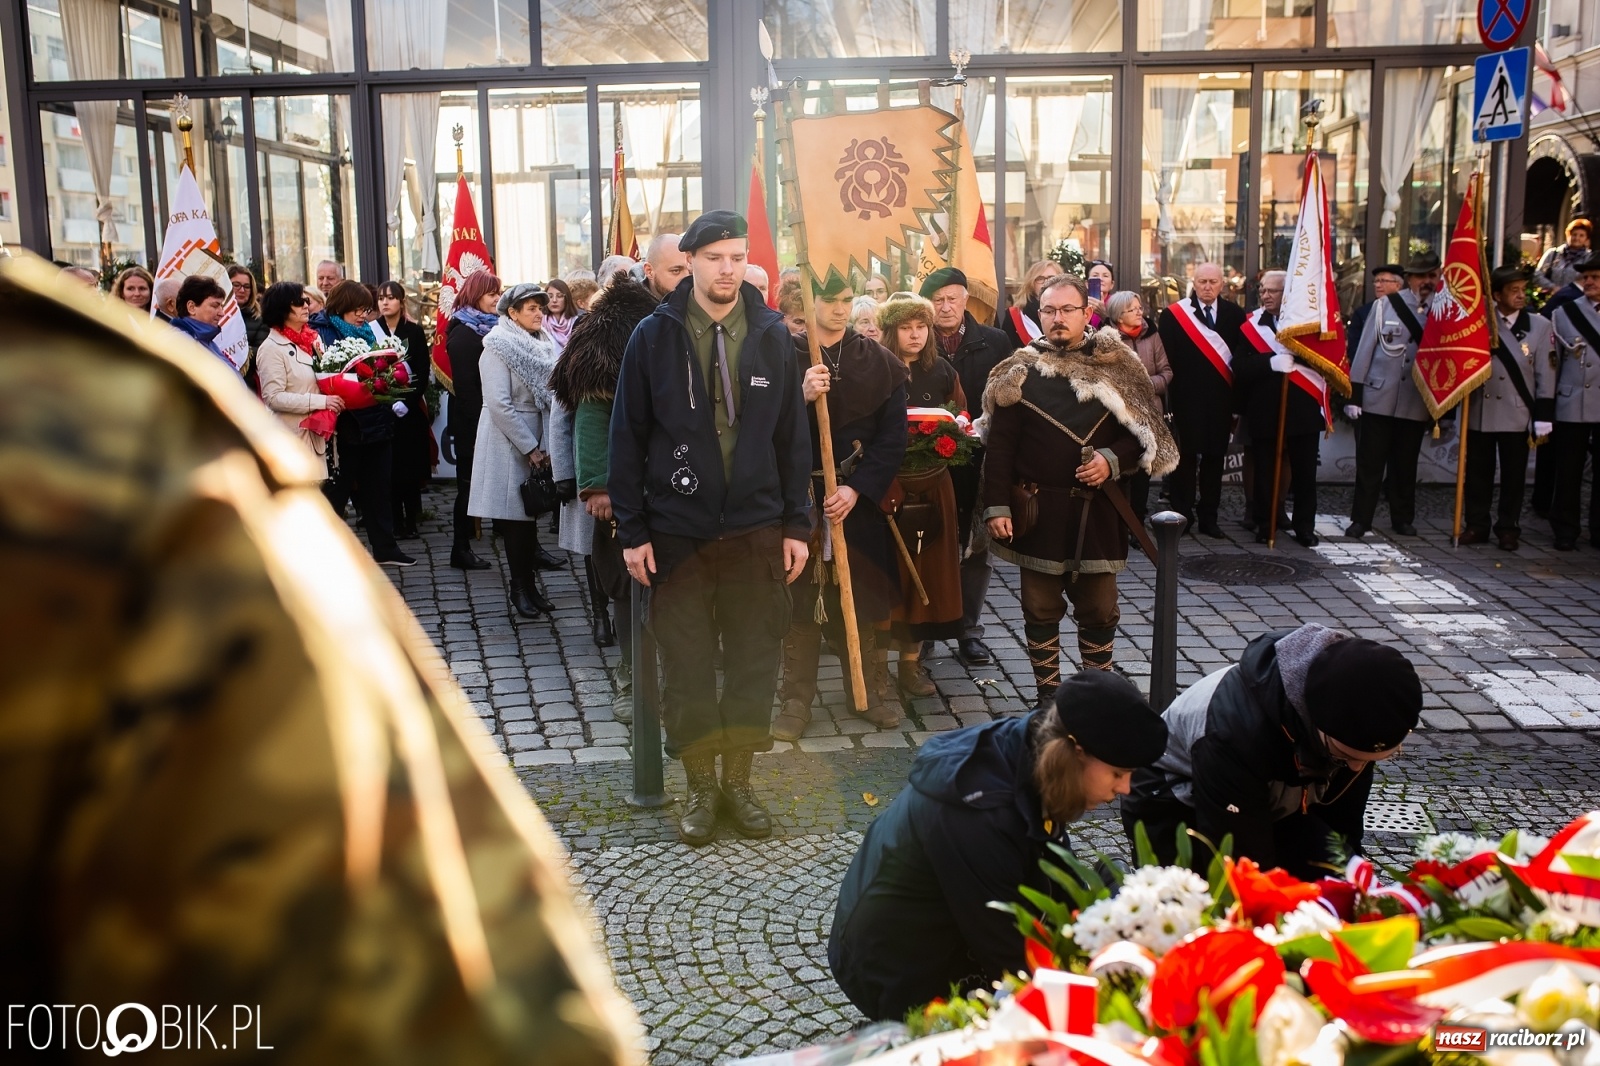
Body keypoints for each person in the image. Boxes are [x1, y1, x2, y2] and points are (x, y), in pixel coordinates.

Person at [608, 210, 811, 846]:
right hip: (677, 531)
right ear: (690, 261)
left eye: (737, 257)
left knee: (755, 661)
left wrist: (796, 525)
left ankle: (740, 785)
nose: (728, 269)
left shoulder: (773, 334)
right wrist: (632, 531)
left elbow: (791, 438)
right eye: (715, 256)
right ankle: (700, 787)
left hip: (755, 528)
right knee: (688, 666)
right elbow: (627, 436)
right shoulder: (653, 336)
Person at [829, 671, 1169, 1022]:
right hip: (893, 965)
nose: (1126, 788)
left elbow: (1048, 856)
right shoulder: (981, 815)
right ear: (1077, 753)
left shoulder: (1038, 743)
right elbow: (1007, 958)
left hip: (940, 927)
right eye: (1117, 774)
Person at [983, 274, 1177, 701]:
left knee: (1100, 608)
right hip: (1039, 510)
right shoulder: (1019, 370)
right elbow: (999, 448)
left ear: (1086, 313)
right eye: (1049, 311)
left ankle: (1095, 691)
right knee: (1039, 607)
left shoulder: (1118, 364)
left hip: (1099, 511)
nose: (1057, 319)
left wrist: (1112, 461)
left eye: (1067, 310)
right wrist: (996, 506)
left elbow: (1146, 434)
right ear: (1039, 315)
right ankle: (1048, 694)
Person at [1122, 624, 1421, 881]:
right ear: (1315, 720)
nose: (1355, 769)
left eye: (1374, 760)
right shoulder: (1232, 732)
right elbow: (1242, 866)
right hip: (1175, 803)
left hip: (1276, 801)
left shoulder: (1359, 723)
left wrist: (1350, 885)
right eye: (1345, 757)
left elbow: (1342, 829)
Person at [772, 278, 908, 742]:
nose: (838, 308)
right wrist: (800, 397)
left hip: (856, 502)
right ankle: (795, 700)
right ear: (806, 303)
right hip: (800, 499)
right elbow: (757, 427)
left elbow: (892, 439)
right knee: (800, 603)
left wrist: (858, 490)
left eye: (846, 300)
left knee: (862, 600)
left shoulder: (880, 363)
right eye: (828, 299)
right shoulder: (780, 355)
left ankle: (866, 692)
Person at [550, 257, 658, 720]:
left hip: (676, 483)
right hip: (623, 489)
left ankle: (670, 673)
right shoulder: (604, 332)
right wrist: (596, 486)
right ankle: (632, 674)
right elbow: (590, 416)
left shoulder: (679, 321)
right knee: (626, 585)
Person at [922, 266, 1013, 666]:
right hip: (927, 461)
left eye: (951, 299)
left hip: (979, 460)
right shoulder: (916, 340)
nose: (945, 307)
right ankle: (923, 630)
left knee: (976, 550)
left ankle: (969, 631)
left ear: (965, 300)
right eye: (937, 300)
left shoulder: (995, 341)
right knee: (927, 544)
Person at [877, 292, 965, 699]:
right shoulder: (875, 368)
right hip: (885, 487)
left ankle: (910, 665)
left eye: (921, 326)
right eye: (906, 327)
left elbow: (960, 419)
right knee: (886, 576)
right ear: (892, 331)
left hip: (933, 486)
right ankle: (875, 667)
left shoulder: (943, 371)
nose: (914, 335)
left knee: (927, 574)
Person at [470, 283, 559, 618]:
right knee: (515, 522)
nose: (539, 313)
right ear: (512, 313)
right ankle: (519, 588)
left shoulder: (543, 344)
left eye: (541, 308)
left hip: (537, 436)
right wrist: (531, 447)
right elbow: (499, 404)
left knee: (530, 517)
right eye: (531, 309)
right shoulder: (497, 346)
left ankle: (530, 586)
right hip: (509, 441)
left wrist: (547, 443)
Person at [312, 280, 413, 567]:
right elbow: (324, 374)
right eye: (357, 310)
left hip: (376, 421)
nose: (362, 316)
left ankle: (385, 548)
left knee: (379, 489)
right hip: (345, 425)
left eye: (366, 310)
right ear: (342, 306)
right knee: (337, 492)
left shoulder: (369, 332)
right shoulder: (323, 332)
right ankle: (323, 555)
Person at [1460, 267, 1556, 551]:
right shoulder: (1479, 322)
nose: (1520, 295)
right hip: (1481, 410)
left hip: (1517, 412)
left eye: (1522, 289)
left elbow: (1545, 373)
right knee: (1477, 475)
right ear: (1497, 295)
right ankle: (1476, 525)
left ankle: (1508, 527)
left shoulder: (1539, 326)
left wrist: (1543, 415)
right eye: (1513, 290)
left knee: (1514, 476)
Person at [1344, 253, 1438, 538]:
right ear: (1409, 279)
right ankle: (1361, 519)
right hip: (1378, 396)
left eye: (1432, 276)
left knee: (1405, 464)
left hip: (1414, 399)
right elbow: (1364, 352)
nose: (1427, 282)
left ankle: (1402, 517)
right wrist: (1355, 395)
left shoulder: (1443, 310)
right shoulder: (1385, 306)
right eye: (1422, 276)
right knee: (1370, 464)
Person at [1159, 262, 1251, 537]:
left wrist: (1237, 404)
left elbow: (1240, 361)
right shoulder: (1175, 315)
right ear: (1194, 283)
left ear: (1222, 284)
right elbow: (1167, 361)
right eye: (1202, 282)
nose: (1208, 287)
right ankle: (1182, 516)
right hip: (1185, 401)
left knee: (1214, 461)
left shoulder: (1235, 315)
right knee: (1183, 461)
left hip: (1221, 401)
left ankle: (1209, 519)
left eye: (1213, 282)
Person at [1236, 270, 1327, 547]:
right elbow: (1238, 367)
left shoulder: (1310, 325)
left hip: (1303, 411)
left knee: (1304, 473)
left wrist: (1300, 356)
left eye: (1272, 291)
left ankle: (1304, 527)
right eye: (1262, 290)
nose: (1265, 295)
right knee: (1265, 471)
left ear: (1288, 294)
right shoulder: (1252, 324)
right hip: (1265, 410)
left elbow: (1327, 364)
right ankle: (1266, 524)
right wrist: (1269, 363)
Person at [446, 270, 502, 571]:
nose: (497, 298)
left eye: (498, 292)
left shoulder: (490, 327)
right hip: (474, 423)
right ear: (475, 294)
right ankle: (460, 548)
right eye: (491, 293)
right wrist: (483, 424)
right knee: (469, 487)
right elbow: (467, 388)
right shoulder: (464, 333)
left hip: (487, 418)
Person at [257, 281, 342, 471]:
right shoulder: (271, 348)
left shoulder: (313, 339)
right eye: (298, 301)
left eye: (305, 300)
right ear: (281, 309)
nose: (305, 305)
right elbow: (273, 397)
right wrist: (322, 401)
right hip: (292, 442)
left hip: (320, 436)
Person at [371, 280, 432, 539]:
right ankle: (393, 521)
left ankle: (411, 519)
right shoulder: (372, 331)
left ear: (401, 301)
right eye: (381, 298)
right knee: (389, 470)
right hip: (383, 409)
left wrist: (406, 402)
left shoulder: (414, 332)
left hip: (409, 410)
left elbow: (420, 371)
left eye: (390, 297)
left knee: (409, 467)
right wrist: (386, 399)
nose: (385, 302)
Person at [1547, 255, 1600, 550]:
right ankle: (1565, 530)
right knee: (1568, 469)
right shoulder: (1565, 313)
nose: (1589, 282)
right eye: (1586, 277)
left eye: (1595, 277)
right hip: (1573, 400)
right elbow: (1554, 359)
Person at [1104, 290, 1171, 522]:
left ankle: (1138, 522)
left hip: (1149, 414)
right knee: (1121, 469)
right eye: (1133, 309)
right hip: (1119, 416)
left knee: (1144, 471)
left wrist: (1147, 385)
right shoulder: (1106, 339)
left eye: (1140, 307)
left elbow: (1167, 372)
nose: (1139, 312)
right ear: (1119, 315)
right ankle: (1118, 521)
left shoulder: (1152, 335)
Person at [1345, 263, 1404, 364]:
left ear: (1398, 285)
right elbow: (1355, 350)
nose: (1377, 285)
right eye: (1376, 281)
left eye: (1383, 281)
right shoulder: (1363, 313)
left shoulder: (1411, 310)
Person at [997, 258, 1057, 349]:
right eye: (1040, 278)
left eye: (1052, 278)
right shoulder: (1015, 316)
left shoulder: (1070, 312)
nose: (1046, 282)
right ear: (1032, 284)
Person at [171, 275, 231, 363]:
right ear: (191, 307)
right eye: (215, 306)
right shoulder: (178, 343)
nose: (222, 313)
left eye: (221, 307)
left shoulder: (205, 340)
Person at [1537, 218, 1593, 291]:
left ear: (1586, 239)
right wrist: (1552, 287)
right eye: (1574, 234)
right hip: (1551, 298)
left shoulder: (1590, 258)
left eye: (1581, 235)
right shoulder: (1552, 254)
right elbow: (1537, 275)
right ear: (1568, 235)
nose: (1577, 238)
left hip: (1575, 299)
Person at [229, 265, 269, 354]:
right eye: (236, 285)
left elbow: (259, 353)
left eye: (247, 286)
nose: (242, 290)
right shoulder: (213, 316)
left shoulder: (259, 320)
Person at [641, 230, 691, 297]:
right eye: (676, 271)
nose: (687, 277)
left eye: (691, 271)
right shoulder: (627, 305)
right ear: (649, 271)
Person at [542, 278, 580, 352]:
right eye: (550, 296)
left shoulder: (578, 322)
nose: (554, 300)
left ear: (567, 298)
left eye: (559, 296)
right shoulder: (540, 323)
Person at [1085, 258, 1116, 326]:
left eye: (1105, 276)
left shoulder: (1118, 305)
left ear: (1112, 284)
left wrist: (1103, 314)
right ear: (1087, 284)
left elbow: (1120, 333)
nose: (1100, 279)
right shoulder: (1080, 303)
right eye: (1095, 276)